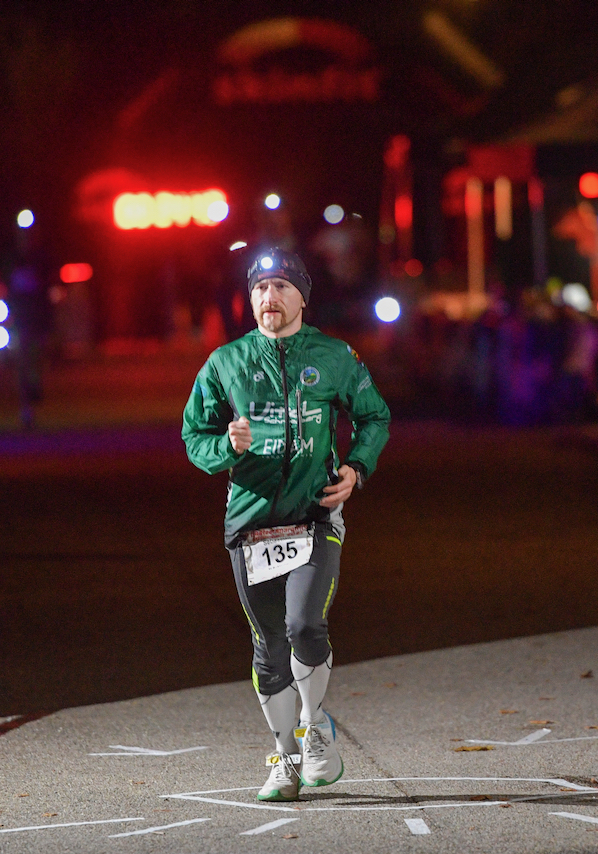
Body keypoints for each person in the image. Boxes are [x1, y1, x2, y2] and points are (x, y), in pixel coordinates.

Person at [181, 247, 390, 801]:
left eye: (280, 287)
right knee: (268, 645)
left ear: (302, 296)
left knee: (302, 625)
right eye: (259, 289)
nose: (268, 298)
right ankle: (285, 757)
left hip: (314, 517)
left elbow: (373, 416)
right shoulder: (226, 362)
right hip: (249, 524)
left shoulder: (334, 355)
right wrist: (223, 444)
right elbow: (193, 436)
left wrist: (355, 467)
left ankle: (314, 724)